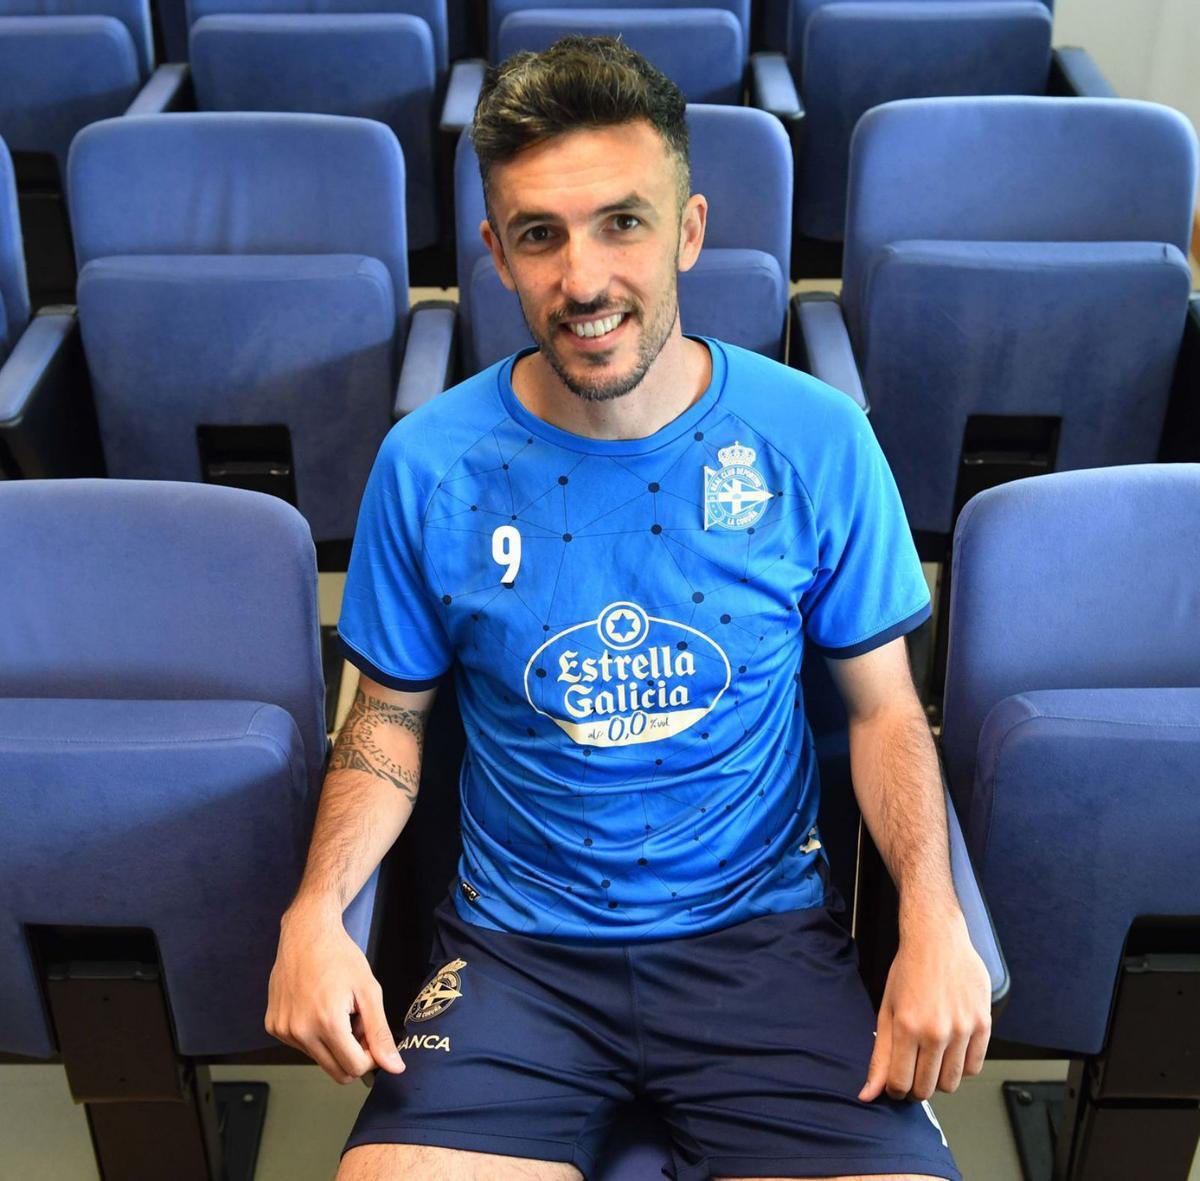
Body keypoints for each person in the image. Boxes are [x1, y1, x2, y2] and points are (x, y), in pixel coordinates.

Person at [265, 36, 992, 1181]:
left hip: (762, 946)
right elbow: (386, 719)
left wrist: (933, 922)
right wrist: (316, 908)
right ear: (497, 254)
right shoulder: (431, 464)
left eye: (624, 223)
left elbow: (888, 711)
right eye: (540, 235)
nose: (585, 279)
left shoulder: (815, 440)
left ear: (690, 230)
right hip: (517, 957)